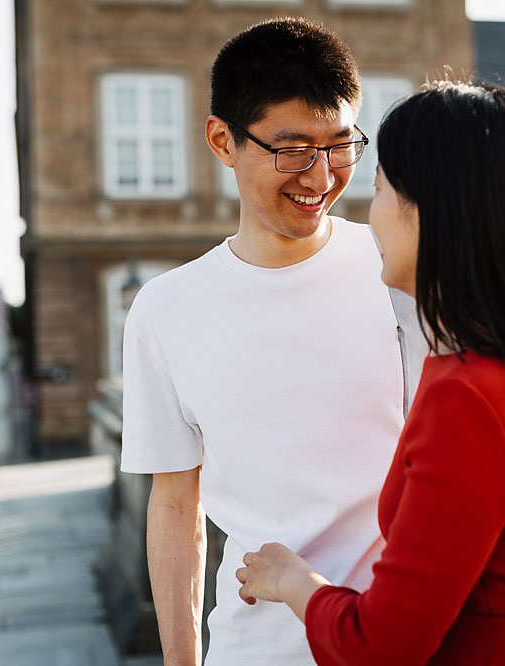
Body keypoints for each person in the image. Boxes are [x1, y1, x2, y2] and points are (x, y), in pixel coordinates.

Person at [235, 80, 505, 665]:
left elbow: (380, 649)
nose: (369, 217)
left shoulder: (469, 398)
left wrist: (292, 581)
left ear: (430, 211)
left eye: (378, 190)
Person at [120, 17, 426, 666]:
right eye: (292, 150)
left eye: (340, 147)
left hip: (399, 642)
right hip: (253, 648)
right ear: (222, 141)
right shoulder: (165, 310)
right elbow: (176, 505)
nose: (319, 179)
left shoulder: (396, 268)